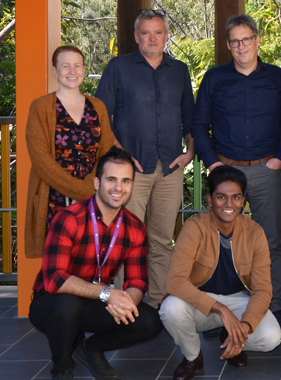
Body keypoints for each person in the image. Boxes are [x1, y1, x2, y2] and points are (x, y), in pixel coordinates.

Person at [190, 14, 281, 331]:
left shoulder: (276, 77)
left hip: (265, 169)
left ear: (257, 39)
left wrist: (278, 158)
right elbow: (199, 124)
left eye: (246, 39)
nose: (241, 46)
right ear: (227, 45)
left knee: (271, 243)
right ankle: (221, 311)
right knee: (221, 244)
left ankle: (274, 307)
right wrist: (212, 163)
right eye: (235, 41)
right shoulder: (214, 78)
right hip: (226, 171)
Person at [28, 147, 163, 380]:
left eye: (125, 181)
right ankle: (62, 368)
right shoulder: (68, 219)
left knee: (150, 321)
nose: (119, 188)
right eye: (111, 179)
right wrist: (107, 294)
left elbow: (138, 281)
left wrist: (126, 303)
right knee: (67, 305)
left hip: (95, 301)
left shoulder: (135, 229)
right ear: (97, 183)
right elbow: (54, 279)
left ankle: (90, 349)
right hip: (52, 303)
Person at [95, 9, 195, 308]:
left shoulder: (179, 70)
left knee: (163, 240)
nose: (153, 38)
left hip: (170, 168)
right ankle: (123, 302)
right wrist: (120, 154)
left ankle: (158, 304)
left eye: (158, 32)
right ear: (137, 36)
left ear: (166, 36)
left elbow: (189, 116)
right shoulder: (119, 68)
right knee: (125, 236)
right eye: (146, 32)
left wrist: (189, 151)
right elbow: (101, 114)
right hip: (130, 171)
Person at [160, 166, 281, 380]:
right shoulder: (194, 227)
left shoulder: (255, 232)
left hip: (239, 300)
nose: (229, 204)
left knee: (271, 338)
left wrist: (244, 327)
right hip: (201, 302)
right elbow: (174, 281)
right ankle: (192, 356)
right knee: (170, 308)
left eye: (236, 197)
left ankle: (232, 337)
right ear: (210, 199)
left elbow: (263, 289)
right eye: (221, 197)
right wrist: (221, 310)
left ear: (243, 200)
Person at [24, 45, 115, 263]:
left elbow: (106, 150)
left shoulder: (98, 107)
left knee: (91, 260)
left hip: (92, 195)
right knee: (57, 263)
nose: (72, 71)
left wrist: (86, 190)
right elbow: (40, 159)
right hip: (54, 198)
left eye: (77, 66)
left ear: (84, 69)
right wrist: (81, 191)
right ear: (55, 70)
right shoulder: (41, 107)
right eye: (65, 66)